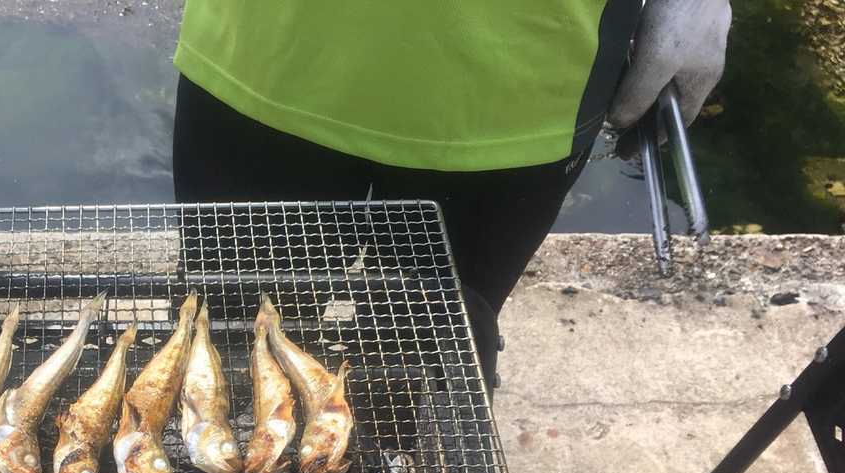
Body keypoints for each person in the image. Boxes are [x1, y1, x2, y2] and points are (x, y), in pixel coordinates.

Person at [172, 0, 732, 316]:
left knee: (423, 356)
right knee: (234, 327)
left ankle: (388, 463)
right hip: (264, 48)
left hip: (524, 83)